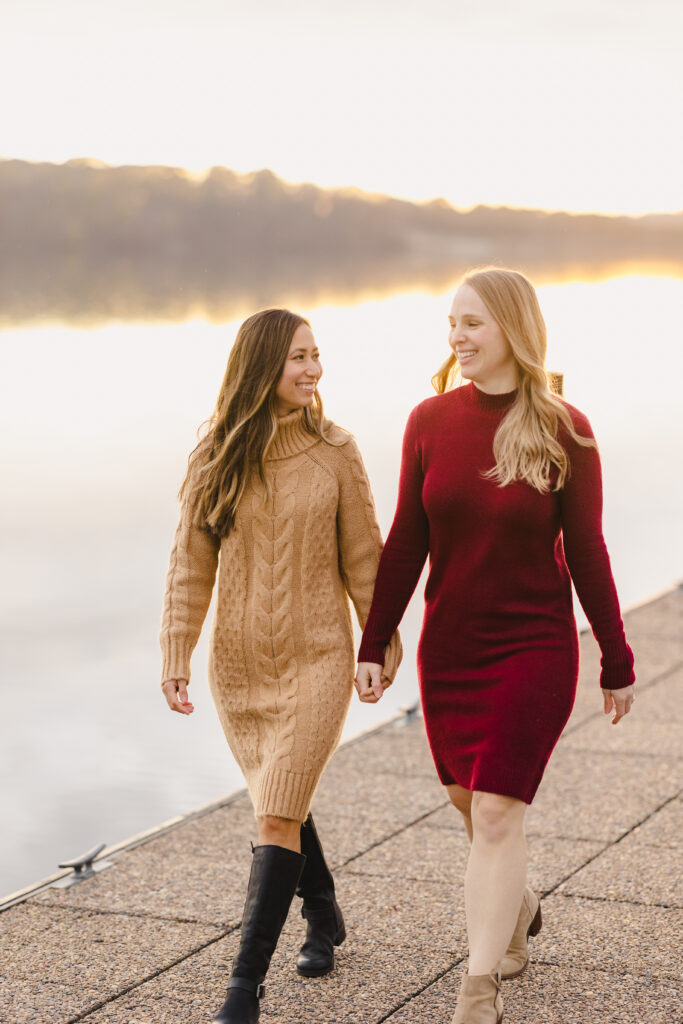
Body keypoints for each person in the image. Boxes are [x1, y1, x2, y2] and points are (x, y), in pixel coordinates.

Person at [355, 268, 635, 1024]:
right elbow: (406, 540)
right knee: (471, 808)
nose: (457, 336)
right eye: (451, 323)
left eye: (472, 323)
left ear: (511, 327)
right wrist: (373, 638)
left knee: (497, 813)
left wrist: (615, 656)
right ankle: (515, 904)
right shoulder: (428, 421)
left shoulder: (564, 429)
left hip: (532, 649)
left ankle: (477, 992)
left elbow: (586, 551)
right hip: (449, 650)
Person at [159, 308, 401, 1024]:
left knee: (274, 809)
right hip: (238, 667)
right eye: (298, 356)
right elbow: (189, 567)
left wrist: (375, 645)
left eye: (316, 355)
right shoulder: (215, 455)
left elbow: (367, 559)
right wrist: (177, 650)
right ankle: (323, 914)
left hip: (319, 657)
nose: (313, 369)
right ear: (262, 365)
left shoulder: (335, 451)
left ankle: (242, 991)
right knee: (280, 799)